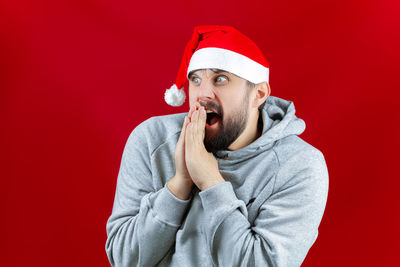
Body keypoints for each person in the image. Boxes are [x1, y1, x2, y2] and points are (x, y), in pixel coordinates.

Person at [105, 25, 329, 267]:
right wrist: (179, 184)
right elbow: (123, 259)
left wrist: (210, 182)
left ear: (259, 94)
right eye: (196, 79)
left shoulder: (299, 165)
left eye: (220, 79)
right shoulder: (151, 139)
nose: (202, 94)